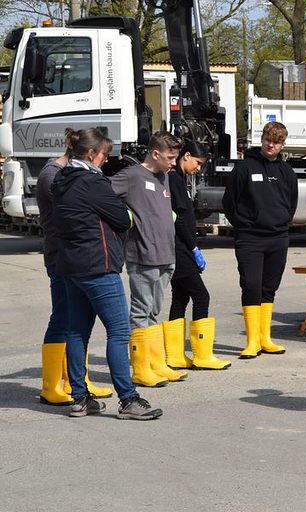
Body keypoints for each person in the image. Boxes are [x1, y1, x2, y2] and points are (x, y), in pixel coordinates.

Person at [51, 127, 162, 419]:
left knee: (77, 331)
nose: (106, 161)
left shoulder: (60, 179)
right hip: (98, 265)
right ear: (91, 154)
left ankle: (79, 397)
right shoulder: (93, 183)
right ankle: (128, 399)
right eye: (104, 155)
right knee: (119, 331)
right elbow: (122, 219)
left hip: (70, 265)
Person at [37, 146, 112, 404]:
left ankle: (76, 382)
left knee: (77, 323)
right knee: (62, 318)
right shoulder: (53, 175)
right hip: (61, 256)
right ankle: (50, 387)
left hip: (71, 256)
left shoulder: (61, 173)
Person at [111, 131, 186, 386]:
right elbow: (103, 196)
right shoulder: (132, 176)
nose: (173, 162)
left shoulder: (164, 176)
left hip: (166, 254)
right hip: (143, 255)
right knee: (141, 311)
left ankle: (155, 363)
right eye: (170, 157)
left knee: (154, 311)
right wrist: (126, 219)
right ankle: (140, 369)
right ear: (155, 153)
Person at [223, 121, 298, 358]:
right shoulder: (245, 167)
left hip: (278, 237)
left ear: (282, 145)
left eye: (276, 142)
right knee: (251, 285)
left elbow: (292, 202)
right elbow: (229, 202)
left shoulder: (287, 172)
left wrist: (282, 221)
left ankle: (265, 338)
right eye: (268, 140)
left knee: (269, 287)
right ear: (262, 138)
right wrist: (244, 224)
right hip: (250, 238)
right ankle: (252, 340)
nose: (271, 145)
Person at [165, 141, 231, 370]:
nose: (199, 169)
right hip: (179, 247)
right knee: (201, 296)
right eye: (198, 163)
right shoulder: (174, 178)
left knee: (180, 298)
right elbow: (180, 217)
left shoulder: (179, 178)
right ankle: (202, 355)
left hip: (179, 246)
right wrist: (193, 247)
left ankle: (174, 356)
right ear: (187, 156)